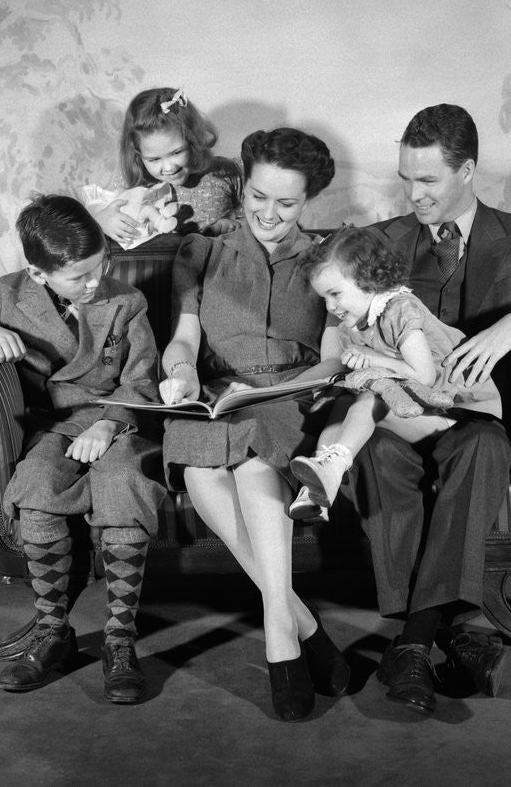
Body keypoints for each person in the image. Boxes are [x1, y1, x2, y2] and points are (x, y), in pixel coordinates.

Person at [355, 104, 511, 717]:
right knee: (376, 452)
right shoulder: (384, 242)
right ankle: (450, 633)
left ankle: (412, 644)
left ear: (467, 171)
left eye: (428, 180)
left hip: (477, 419)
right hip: (401, 413)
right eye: (406, 179)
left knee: (484, 448)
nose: (413, 195)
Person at [0, 194, 166, 703]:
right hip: (53, 428)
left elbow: (141, 381)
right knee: (36, 488)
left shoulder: (126, 301)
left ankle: (119, 641)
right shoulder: (8, 296)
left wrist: (108, 425)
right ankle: (52, 633)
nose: (95, 282)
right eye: (79, 277)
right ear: (38, 272)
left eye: (101, 266)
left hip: (117, 425)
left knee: (123, 484)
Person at [157, 127, 350, 722]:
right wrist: (181, 373)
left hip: (292, 395)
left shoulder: (328, 257)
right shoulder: (201, 251)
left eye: (286, 203)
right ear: (242, 186)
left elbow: (333, 361)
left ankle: (279, 642)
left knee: (250, 463)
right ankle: (300, 623)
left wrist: (272, 391)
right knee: (199, 466)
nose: (268, 213)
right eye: (258, 196)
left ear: (308, 200)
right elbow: (183, 339)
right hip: (218, 394)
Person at [287, 226, 501, 523]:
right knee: (343, 404)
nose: (330, 307)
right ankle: (319, 485)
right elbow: (340, 368)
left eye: (335, 294)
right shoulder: (352, 322)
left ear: (369, 280)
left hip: (460, 412)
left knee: (369, 399)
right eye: (325, 298)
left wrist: (374, 360)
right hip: (417, 408)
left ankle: (335, 466)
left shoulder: (399, 309)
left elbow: (424, 376)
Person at [93, 87, 242, 245]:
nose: (169, 167)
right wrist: (101, 221)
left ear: (194, 140)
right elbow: (95, 215)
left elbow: (254, 217)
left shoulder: (225, 172)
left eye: (177, 152)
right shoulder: (131, 184)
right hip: (158, 260)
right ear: (138, 154)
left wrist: (232, 226)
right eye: (154, 159)